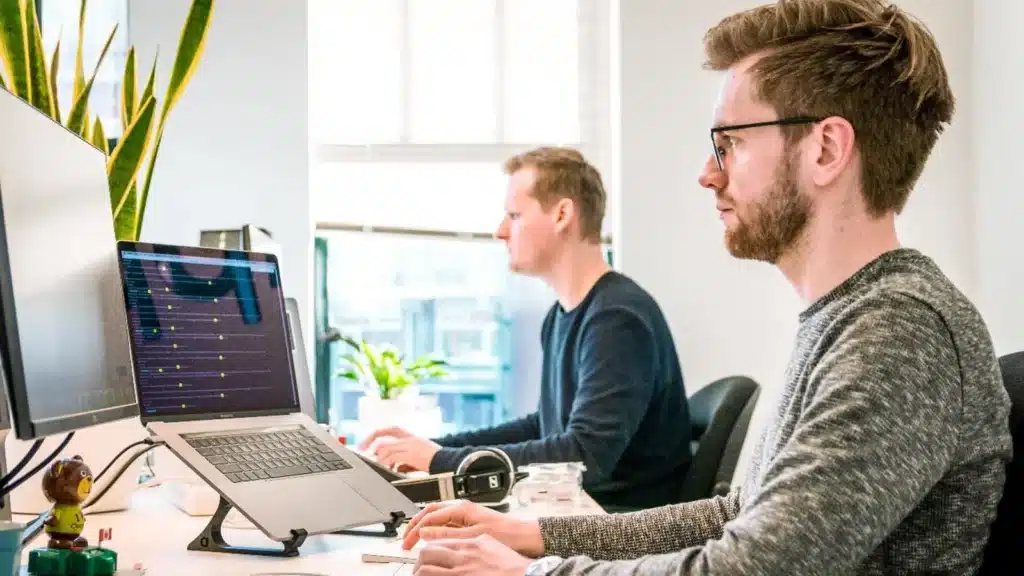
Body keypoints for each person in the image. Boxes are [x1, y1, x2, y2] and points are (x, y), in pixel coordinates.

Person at [399, 1, 1014, 574]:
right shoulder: (849, 317)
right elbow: (737, 516)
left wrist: (540, 572)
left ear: (825, 149)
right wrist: (539, 537)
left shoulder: (898, 332)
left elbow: (755, 568)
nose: (707, 173)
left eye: (731, 143)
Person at [358, 147, 693, 511]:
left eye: (514, 215)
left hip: (615, 527)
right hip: (576, 512)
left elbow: (583, 458)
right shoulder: (563, 316)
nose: (501, 231)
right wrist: (435, 449)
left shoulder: (617, 320)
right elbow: (543, 427)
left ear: (563, 214)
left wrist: (441, 462)